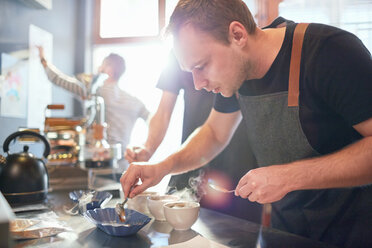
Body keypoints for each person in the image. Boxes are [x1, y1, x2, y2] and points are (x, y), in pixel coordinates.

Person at [120, 0, 372, 247]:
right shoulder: (238, 74)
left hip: (352, 232)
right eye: (190, 72)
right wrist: (162, 167)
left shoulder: (329, 51)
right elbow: (214, 134)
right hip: (284, 233)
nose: (198, 84)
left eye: (201, 66)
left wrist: (290, 176)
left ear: (237, 34)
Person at [125, 52, 261, 222]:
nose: (199, 84)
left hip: (239, 164)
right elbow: (163, 112)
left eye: (202, 65)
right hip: (189, 160)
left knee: (239, 234)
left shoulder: (239, 52)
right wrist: (148, 148)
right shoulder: (179, 51)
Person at [38, 47, 150, 173]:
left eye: (101, 66)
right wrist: (145, 147)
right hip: (124, 168)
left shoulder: (95, 91)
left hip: (99, 165)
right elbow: (153, 120)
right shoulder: (134, 101)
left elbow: (58, 79)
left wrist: (43, 58)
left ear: (109, 70)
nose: (98, 69)